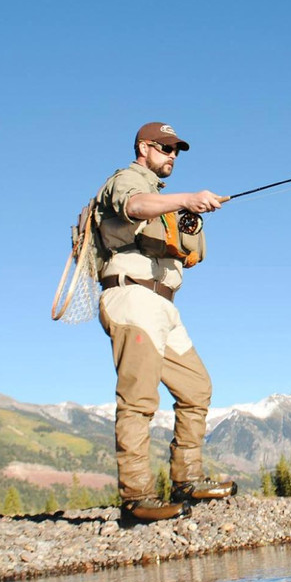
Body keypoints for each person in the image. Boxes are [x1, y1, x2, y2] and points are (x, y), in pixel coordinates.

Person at [91, 122, 237, 524]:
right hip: (132, 297)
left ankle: (186, 480)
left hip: (164, 304)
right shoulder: (128, 180)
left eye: (177, 151)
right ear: (144, 147)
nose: (172, 155)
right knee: (138, 399)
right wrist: (186, 198)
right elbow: (134, 207)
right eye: (165, 148)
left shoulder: (165, 198)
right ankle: (137, 497)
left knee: (196, 387)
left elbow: (190, 254)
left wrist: (188, 212)